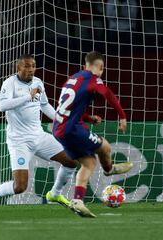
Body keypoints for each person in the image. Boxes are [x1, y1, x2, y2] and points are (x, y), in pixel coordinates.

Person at [0, 55, 78, 212]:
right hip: (19, 142)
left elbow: (44, 105)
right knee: (20, 186)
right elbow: (2, 106)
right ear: (18, 68)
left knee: (71, 161)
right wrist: (27, 96)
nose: (31, 69)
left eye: (33, 66)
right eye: (27, 66)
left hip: (40, 136)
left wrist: (62, 120)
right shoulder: (10, 83)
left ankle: (55, 194)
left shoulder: (38, 82)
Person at [52, 51, 133, 218]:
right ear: (101, 67)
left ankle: (77, 201)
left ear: (84, 66)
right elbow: (108, 94)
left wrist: (89, 117)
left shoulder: (72, 78)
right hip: (72, 129)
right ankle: (110, 169)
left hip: (58, 128)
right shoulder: (93, 79)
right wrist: (122, 116)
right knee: (105, 146)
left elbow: (68, 108)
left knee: (89, 163)